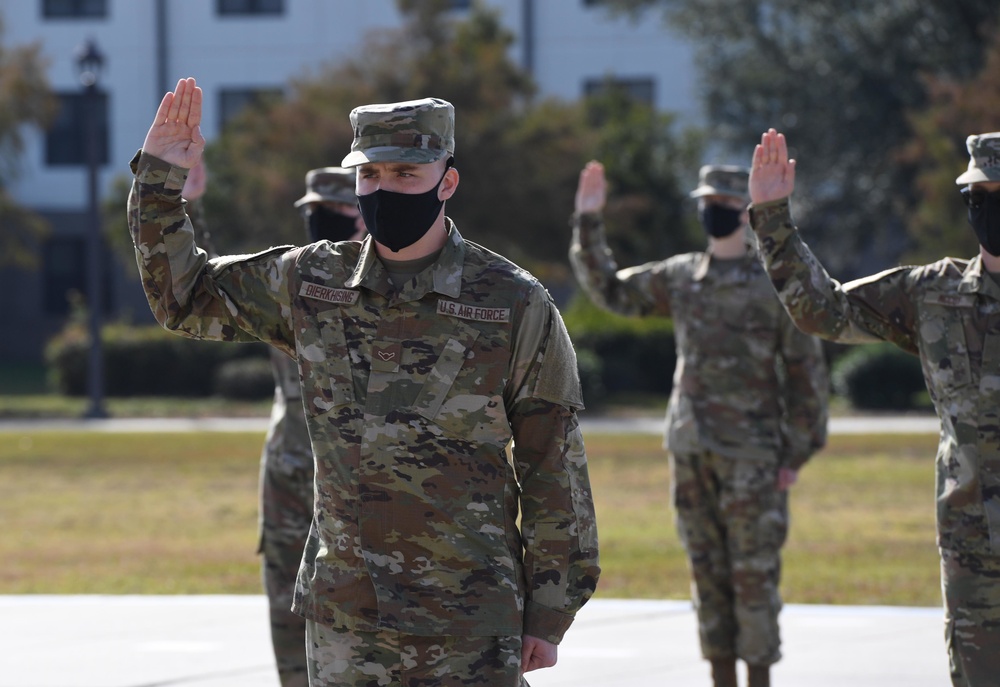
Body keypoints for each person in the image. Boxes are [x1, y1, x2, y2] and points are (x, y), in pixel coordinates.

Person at [128, 77, 599, 686]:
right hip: (345, 620)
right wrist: (161, 181)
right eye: (371, 176)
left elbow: (553, 466)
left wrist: (551, 611)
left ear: (446, 181)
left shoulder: (513, 303)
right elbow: (183, 298)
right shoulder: (312, 284)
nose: (385, 189)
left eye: (406, 174)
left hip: (466, 625)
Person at [748, 128, 1000, 687]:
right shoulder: (933, 293)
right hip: (974, 550)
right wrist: (772, 217)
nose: (989, 208)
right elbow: (825, 310)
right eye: (980, 197)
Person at [569, 160, 828, 687]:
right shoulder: (683, 276)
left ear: (747, 212)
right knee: (707, 577)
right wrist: (588, 222)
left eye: (724, 205)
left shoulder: (775, 284)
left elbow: (807, 372)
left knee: (752, 579)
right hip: (690, 447)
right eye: (706, 204)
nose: (713, 212)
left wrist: (796, 451)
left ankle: (757, 679)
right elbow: (614, 291)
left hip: (753, 457)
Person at [259, 167, 366, 687]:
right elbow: (211, 286)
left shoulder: (380, 283)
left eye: (337, 211)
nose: (321, 222)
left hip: (350, 477)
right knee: (285, 602)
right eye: (314, 212)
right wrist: (190, 205)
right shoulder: (290, 279)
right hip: (289, 470)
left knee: (353, 612)